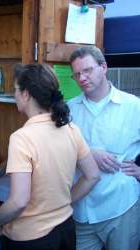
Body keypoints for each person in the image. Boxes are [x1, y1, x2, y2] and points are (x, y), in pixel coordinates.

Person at [0, 63, 100, 250]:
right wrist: (63, 203)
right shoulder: (71, 129)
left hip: (31, 239)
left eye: (15, 90)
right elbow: (93, 175)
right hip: (65, 229)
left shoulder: (21, 138)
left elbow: (18, 201)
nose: (14, 94)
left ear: (26, 95)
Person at [68, 46, 140, 250]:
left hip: (121, 207)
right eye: (76, 74)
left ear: (104, 67)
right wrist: (88, 153)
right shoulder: (69, 109)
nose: (81, 78)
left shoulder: (133, 106)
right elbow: (58, 150)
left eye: (87, 70)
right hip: (82, 211)